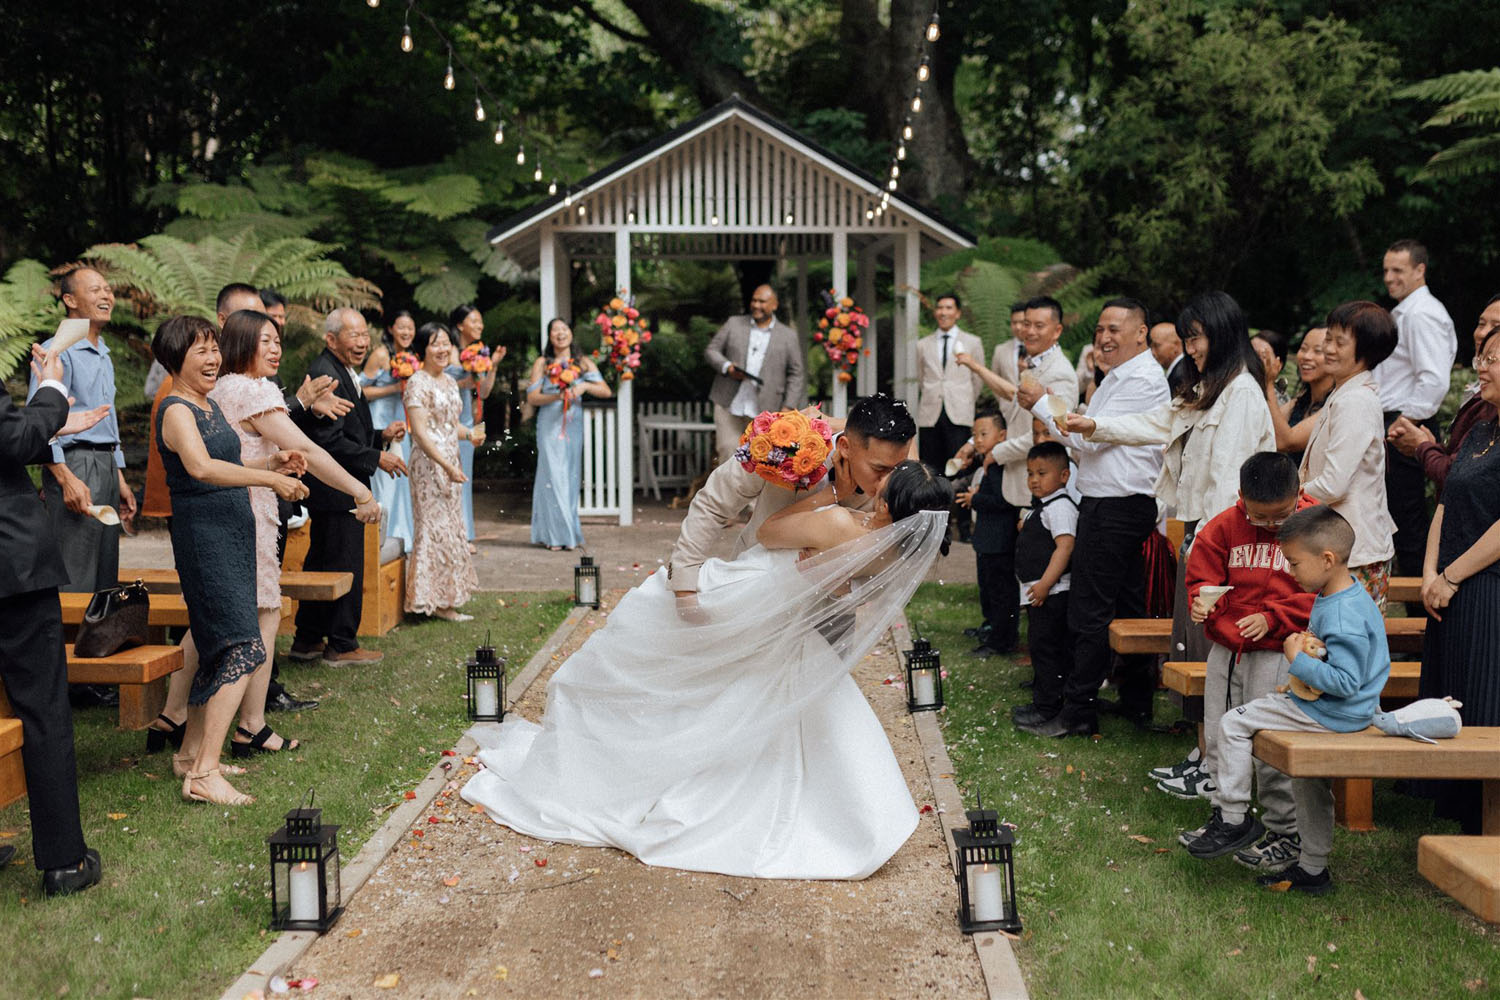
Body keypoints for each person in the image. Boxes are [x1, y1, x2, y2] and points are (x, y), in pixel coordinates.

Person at [462, 461, 952, 879]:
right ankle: (857, 815)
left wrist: (823, 496)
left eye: (889, 479)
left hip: (748, 591)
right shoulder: (892, 551)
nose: (880, 479)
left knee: (652, 642)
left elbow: (768, 532)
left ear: (891, 504)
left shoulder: (843, 523)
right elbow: (844, 591)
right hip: (784, 617)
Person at [156, 311, 381, 761]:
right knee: (253, 622)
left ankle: (176, 719)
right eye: (266, 340)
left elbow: (245, 453)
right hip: (242, 513)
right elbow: (309, 451)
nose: (276, 348)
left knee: (212, 626)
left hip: (241, 506)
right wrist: (358, 490)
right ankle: (243, 730)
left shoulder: (219, 393)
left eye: (278, 340)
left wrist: (270, 466)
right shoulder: (241, 392)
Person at [1180, 506, 1390, 896]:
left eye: (1294, 563)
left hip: (1330, 712)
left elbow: (1345, 681)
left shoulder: (1343, 613)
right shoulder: (1339, 594)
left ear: (1327, 559)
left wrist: (1295, 660)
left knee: (1233, 723)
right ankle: (1313, 868)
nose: (1290, 573)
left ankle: (1234, 815)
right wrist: (1297, 679)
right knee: (1308, 783)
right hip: (1334, 709)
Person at [1060, 292, 1275, 669]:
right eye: (1187, 339)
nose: (1190, 349)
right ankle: (1196, 721)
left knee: (1212, 643)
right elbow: (1157, 421)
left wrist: (1209, 548)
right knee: (1192, 640)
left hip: (1219, 535)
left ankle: (1213, 725)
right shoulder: (1212, 387)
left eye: (1195, 338)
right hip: (1201, 531)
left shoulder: (1240, 392)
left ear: (1222, 334)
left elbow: (1227, 479)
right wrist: (1094, 425)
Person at [152, 315, 309, 805]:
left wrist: (270, 462)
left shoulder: (207, 403)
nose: (213, 358)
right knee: (242, 646)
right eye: (200, 350)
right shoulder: (177, 408)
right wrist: (272, 483)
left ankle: (192, 754)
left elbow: (230, 459)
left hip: (231, 533)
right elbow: (200, 467)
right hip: (205, 538)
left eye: (214, 349)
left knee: (221, 647)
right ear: (175, 357)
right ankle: (204, 773)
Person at [1014, 299, 1169, 737]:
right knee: (1126, 604)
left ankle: (1077, 711)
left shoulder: (1141, 379)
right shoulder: (1115, 378)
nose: (1104, 337)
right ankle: (1135, 700)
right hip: (1111, 500)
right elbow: (1086, 443)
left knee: (1090, 609)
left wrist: (1044, 405)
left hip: (1118, 504)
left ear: (1141, 332)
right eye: (1100, 328)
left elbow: (1094, 438)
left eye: (1115, 329)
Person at [1155, 454, 1316, 874]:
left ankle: (1285, 832)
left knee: (1271, 744)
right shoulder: (1224, 525)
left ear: (1297, 496)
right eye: (1258, 517)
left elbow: (1322, 593)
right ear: (1241, 497)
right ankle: (1230, 816)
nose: (1269, 527)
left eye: (1280, 517)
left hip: (1283, 651)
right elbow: (1202, 580)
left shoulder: (1316, 524)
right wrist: (1209, 610)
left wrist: (1274, 619)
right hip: (1228, 650)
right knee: (1222, 730)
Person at [0, 344, 109, 896]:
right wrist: (51, 392)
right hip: (10, 567)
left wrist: (44, 418)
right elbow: (11, 441)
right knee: (43, 707)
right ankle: (65, 860)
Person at [668, 393, 916, 598]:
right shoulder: (786, 444)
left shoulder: (899, 486)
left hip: (830, 617)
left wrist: (846, 590)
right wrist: (684, 583)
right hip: (754, 588)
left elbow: (891, 566)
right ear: (845, 448)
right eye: (879, 469)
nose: (889, 480)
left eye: (898, 468)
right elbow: (714, 502)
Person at [953, 295, 1078, 647]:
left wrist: (997, 452)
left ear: (1057, 330)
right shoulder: (1033, 365)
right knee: (1005, 565)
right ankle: (1007, 636)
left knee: (1026, 568)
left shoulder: (1061, 374)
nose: (1029, 331)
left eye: (1039, 326)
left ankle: (1021, 645)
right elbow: (1012, 398)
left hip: (1035, 480)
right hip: (1017, 480)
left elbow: (1051, 431)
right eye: (1027, 324)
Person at [1415, 325, 1500, 833]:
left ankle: (1489, 825)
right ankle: (1466, 818)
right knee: (1460, 693)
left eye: (1492, 359)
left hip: (1488, 590)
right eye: (1481, 357)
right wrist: (1429, 574)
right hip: (1450, 589)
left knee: (1488, 700)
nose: (1480, 368)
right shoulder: (1481, 431)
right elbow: (1446, 502)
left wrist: (1450, 575)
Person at [289, 309, 407, 664]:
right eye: (353, 336)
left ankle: (307, 640)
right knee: (344, 564)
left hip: (333, 489)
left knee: (322, 563)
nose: (362, 342)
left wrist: (378, 436)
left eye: (364, 335)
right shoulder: (326, 373)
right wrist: (376, 457)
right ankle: (342, 644)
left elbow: (347, 433)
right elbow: (329, 443)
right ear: (331, 339)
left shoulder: (341, 369)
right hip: (338, 490)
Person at [27, 267, 136, 592]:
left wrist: (119, 478)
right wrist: (66, 478)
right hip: (75, 464)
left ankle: (95, 643)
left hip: (102, 464)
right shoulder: (57, 352)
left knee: (105, 568)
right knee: (76, 568)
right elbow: (40, 423)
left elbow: (108, 419)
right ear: (70, 300)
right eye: (95, 290)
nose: (107, 296)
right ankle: (65, 643)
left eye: (108, 289)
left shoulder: (102, 352)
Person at [1299, 302, 1398, 609]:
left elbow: (1332, 484)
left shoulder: (1354, 400)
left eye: (1339, 343)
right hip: (1340, 545)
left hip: (1354, 552)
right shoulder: (1345, 392)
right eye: (1328, 338)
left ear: (1365, 353)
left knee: (1350, 645)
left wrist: (1285, 500)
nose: (1328, 348)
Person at [1373, 240, 1457, 591]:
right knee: (1399, 519)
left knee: (1408, 522)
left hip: (1408, 425)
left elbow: (1433, 381)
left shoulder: (1422, 313)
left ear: (1420, 270)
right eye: (1386, 270)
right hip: (1397, 420)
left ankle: (1417, 624)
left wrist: (1401, 424)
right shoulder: (1406, 310)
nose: (1389, 278)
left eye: (1398, 271)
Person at [405, 323, 483, 620]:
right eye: (435, 344)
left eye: (447, 343)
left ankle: (446, 599)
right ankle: (428, 599)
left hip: (451, 461)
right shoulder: (418, 382)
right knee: (432, 528)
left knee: (452, 529)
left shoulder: (450, 382)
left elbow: (450, 426)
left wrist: (470, 433)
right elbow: (421, 434)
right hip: (429, 465)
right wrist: (446, 465)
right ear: (422, 349)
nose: (442, 349)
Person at [1387, 293, 1500, 494]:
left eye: (1496, 327)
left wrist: (1422, 447)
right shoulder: (1483, 391)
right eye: (1481, 324)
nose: (1483, 334)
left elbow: (1457, 476)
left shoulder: (1492, 401)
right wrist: (1432, 448)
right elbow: (1461, 469)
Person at [1008, 443, 1078, 726]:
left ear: (1063, 476)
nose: (1034, 479)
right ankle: (1043, 698)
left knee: (1048, 650)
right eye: (1030, 473)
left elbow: (1065, 547)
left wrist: (1046, 584)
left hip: (1053, 591)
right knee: (1039, 647)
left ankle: (1048, 706)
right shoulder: (1045, 506)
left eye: (1041, 473)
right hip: (1040, 593)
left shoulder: (1060, 507)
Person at [527, 318, 613, 550]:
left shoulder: (583, 363)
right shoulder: (542, 363)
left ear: (571, 334)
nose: (560, 333)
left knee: (569, 475)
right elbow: (532, 397)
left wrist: (584, 387)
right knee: (552, 476)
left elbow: (605, 390)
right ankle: (556, 536)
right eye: (555, 330)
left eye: (564, 329)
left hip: (572, 424)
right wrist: (557, 396)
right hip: (549, 423)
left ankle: (567, 531)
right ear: (549, 336)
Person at [704, 284, 806, 465]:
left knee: (761, 460)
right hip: (729, 404)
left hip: (766, 409)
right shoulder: (733, 324)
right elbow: (711, 350)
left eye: (762, 301)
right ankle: (729, 494)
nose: (756, 305)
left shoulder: (788, 336)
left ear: (774, 305)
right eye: (754, 300)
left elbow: (796, 373)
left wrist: (788, 406)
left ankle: (752, 495)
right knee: (728, 452)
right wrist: (727, 367)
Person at [447, 304, 506, 545]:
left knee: (465, 478)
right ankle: (452, 535)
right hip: (450, 418)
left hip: (468, 420)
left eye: (480, 321)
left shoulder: (478, 353)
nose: (480, 326)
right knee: (449, 477)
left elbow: (483, 391)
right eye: (474, 321)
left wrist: (492, 363)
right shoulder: (449, 351)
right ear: (460, 325)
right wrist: (469, 378)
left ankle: (464, 533)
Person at [360, 310, 416, 555]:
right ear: (391, 328)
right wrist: (394, 387)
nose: (406, 332)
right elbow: (361, 391)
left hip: (400, 422)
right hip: (380, 422)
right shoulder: (381, 354)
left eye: (410, 328)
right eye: (401, 327)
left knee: (402, 478)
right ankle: (381, 537)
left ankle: (402, 535)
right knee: (385, 482)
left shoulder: (412, 357)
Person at [953, 409, 1009, 656]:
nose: (978, 439)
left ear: (1002, 436)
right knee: (986, 587)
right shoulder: (983, 461)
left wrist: (975, 499)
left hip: (999, 540)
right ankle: (989, 626)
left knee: (1000, 592)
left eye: (984, 434)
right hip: (985, 539)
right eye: (975, 435)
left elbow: (1002, 501)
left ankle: (1000, 639)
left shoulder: (1000, 466)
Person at [914, 294, 984, 473]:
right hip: (931, 413)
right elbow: (922, 378)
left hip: (959, 412)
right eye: (940, 308)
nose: (943, 312)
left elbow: (977, 379)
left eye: (948, 308)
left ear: (958, 313)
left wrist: (965, 399)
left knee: (959, 464)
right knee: (930, 467)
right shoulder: (923, 344)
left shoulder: (972, 342)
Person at [1267, 328, 1332, 468]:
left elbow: (1285, 441)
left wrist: (1268, 384)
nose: (1306, 356)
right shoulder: (1301, 400)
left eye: (1318, 351)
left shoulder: (1334, 404)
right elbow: (1265, 429)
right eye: (1303, 349)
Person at [1149, 318, 1194, 398]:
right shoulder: (1182, 370)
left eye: (1157, 345)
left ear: (1176, 345)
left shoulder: (1182, 374)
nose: (1152, 352)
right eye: (1151, 346)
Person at [1252, 329, 1289, 405]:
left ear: (1279, 364)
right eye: (1251, 353)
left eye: (1263, 356)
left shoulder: (1281, 401)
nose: (1253, 359)